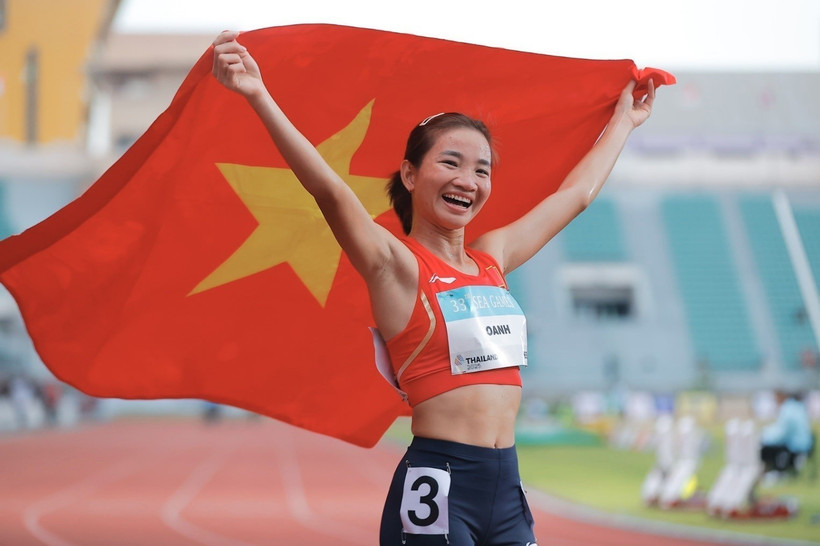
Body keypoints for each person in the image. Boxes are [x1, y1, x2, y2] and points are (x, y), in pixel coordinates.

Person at [212, 30, 655, 545]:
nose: (468, 179)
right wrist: (258, 95)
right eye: (450, 162)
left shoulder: (493, 257)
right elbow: (329, 191)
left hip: (507, 487)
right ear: (409, 174)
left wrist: (624, 120)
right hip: (439, 486)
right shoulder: (396, 266)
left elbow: (576, 195)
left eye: (481, 169)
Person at [760, 391, 814, 476]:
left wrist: (763, 436)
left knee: (765, 449)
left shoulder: (788, 409)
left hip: (796, 447)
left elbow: (781, 435)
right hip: (804, 446)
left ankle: (776, 472)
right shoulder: (797, 406)